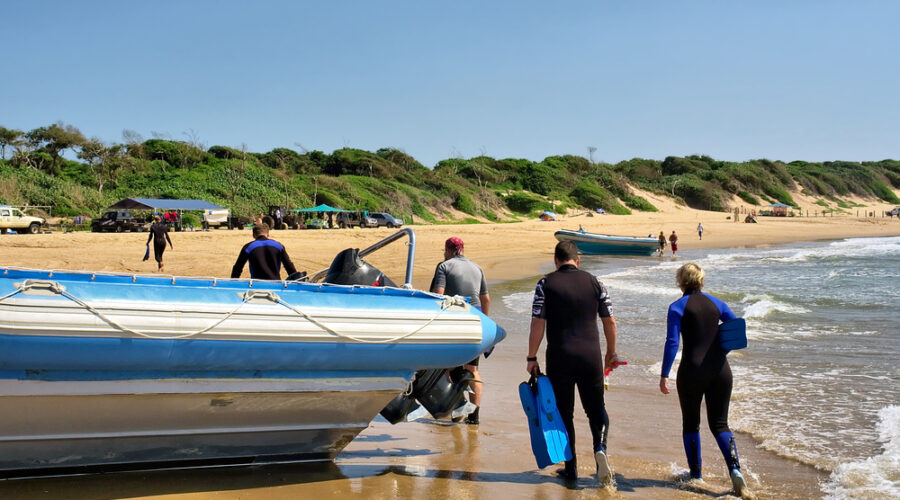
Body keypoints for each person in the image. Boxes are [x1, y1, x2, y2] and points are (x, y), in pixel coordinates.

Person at [526, 240, 619, 484]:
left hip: (560, 357)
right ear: (577, 261)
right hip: (590, 358)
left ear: (556, 261)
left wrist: (531, 356)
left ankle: (572, 468)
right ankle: (600, 448)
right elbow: (610, 321)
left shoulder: (545, 284)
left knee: (564, 413)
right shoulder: (596, 282)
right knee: (596, 409)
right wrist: (612, 353)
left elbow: (538, 322)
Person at [659, 263, 748, 496]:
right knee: (720, 424)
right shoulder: (717, 303)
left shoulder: (677, 307)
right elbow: (737, 329)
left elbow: (672, 343)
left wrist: (664, 374)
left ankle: (696, 474)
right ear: (701, 279)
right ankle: (736, 471)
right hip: (721, 370)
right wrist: (721, 350)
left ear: (681, 281)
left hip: (692, 371)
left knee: (691, 423)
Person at [430, 237, 490, 425]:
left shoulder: (444, 266)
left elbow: (438, 294)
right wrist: (485, 322)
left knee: (451, 368)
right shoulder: (476, 268)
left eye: (444, 251)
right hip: (476, 320)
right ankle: (475, 415)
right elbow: (485, 299)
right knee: (473, 369)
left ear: (449, 250)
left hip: (455, 320)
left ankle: (457, 411)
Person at [231, 223, 297, 280]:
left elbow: (238, 268)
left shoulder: (248, 247)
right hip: (275, 284)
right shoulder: (278, 246)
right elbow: (289, 266)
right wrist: (296, 279)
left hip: (256, 285)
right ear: (268, 234)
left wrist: (232, 284)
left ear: (253, 235)